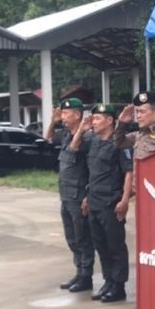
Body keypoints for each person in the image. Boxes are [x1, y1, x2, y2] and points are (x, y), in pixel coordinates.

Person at [74, 104, 133, 303]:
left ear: (109, 121)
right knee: (100, 244)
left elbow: (129, 172)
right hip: (94, 201)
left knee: (115, 245)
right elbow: (80, 155)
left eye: (97, 118)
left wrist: (125, 200)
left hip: (111, 201)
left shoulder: (120, 143)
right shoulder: (94, 142)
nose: (94, 122)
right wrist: (87, 196)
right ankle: (108, 281)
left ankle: (119, 286)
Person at [45, 97, 95, 293]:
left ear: (77, 115)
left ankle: (86, 276)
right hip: (65, 196)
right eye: (62, 113)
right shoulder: (66, 134)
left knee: (83, 238)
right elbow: (48, 138)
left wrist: (87, 196)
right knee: (72, 237)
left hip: (79, 196)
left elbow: (85, 162)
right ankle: (79, 271)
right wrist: (53, 121)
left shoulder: (87, 138)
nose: (63, 117)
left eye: (66, 113)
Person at [115, 91, 155, 182]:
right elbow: (118, 142)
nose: (138, 116)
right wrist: (122, 123)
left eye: (142, 112)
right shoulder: (139, 135)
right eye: (137, 112)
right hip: (137, 189)